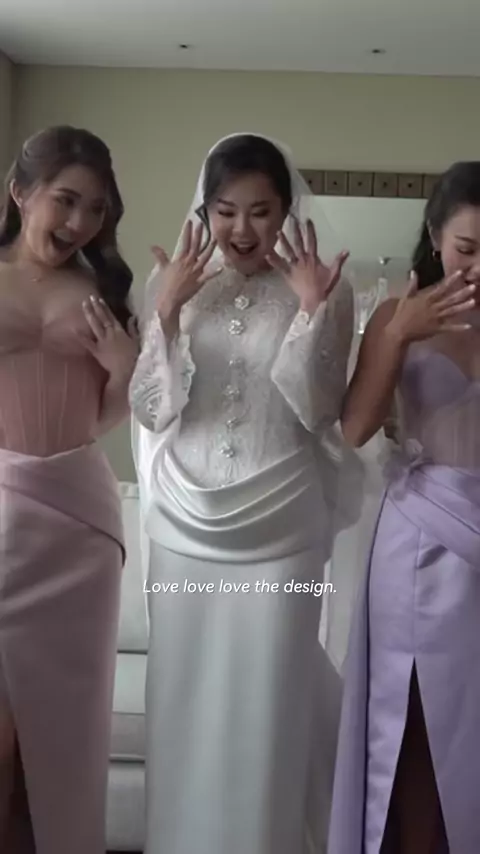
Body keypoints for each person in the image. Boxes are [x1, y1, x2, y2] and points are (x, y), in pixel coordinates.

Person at [129, 132, 360, 854]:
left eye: (261, 212)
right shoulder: (171, 283)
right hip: (184, 524)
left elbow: (318, 412)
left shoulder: (328, 287)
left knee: (269, 702)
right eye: (225, 211)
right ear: (205, 211)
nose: (241, 230)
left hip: (283, 526)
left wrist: (311, 312)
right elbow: (150, 410)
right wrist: (166, 312)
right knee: (184, 698)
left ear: (287, 212)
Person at [327, 161, 480, 854]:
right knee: (413, 731)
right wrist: (396, 336)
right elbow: (356, 428)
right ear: (435, 236)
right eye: (467, 248)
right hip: (418, 536)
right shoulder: (396, 312)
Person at [0, 125, 139, 853]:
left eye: (96, 208)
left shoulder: (102, 291)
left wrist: (124, 367)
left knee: (64, 736)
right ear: (20, 194)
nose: (80, 222)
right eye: (66, 200)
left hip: (77, 523)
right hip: (1, 513)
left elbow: (103, 419)